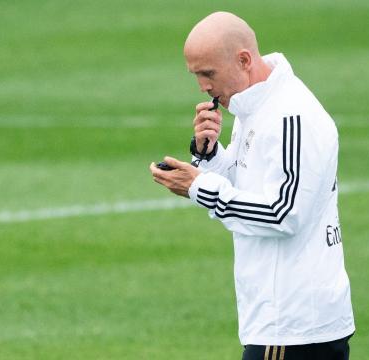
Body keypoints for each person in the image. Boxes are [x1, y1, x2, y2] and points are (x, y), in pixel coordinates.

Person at [149, 11, 355, 360]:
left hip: (293, 329)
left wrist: (198, 187)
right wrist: (210, 155)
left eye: (208, 73)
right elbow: (252, 186)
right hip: (280, 323)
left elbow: (283, 214)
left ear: (244, 60)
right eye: (196, 74)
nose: (202, 86)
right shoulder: (255, 107)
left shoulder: (291, 116)